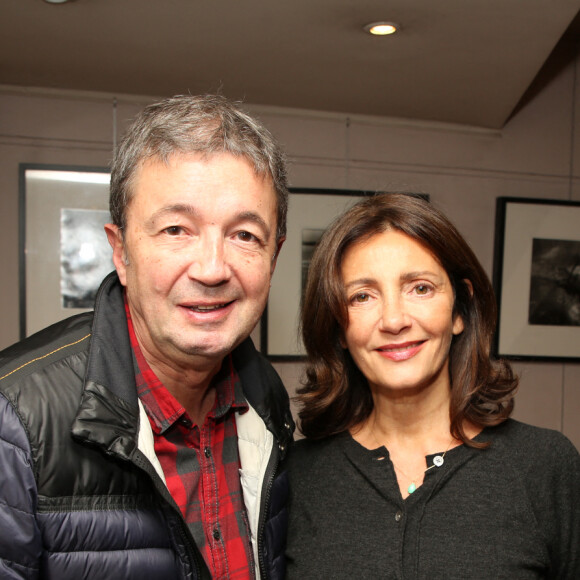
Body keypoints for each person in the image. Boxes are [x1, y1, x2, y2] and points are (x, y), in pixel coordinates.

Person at [0, 94, 295, 580]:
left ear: (274, 256)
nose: (212, 268)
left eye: (245, 235)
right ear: (121, 252)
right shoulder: (15, 422)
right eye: (177, 229)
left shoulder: (266, 397)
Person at [285, 193, 580, 579]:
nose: (393, 319)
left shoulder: (544, 466)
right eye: (362, 296)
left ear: (459, 310)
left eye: (420, 288)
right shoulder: (296, 476)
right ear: (339, 329)